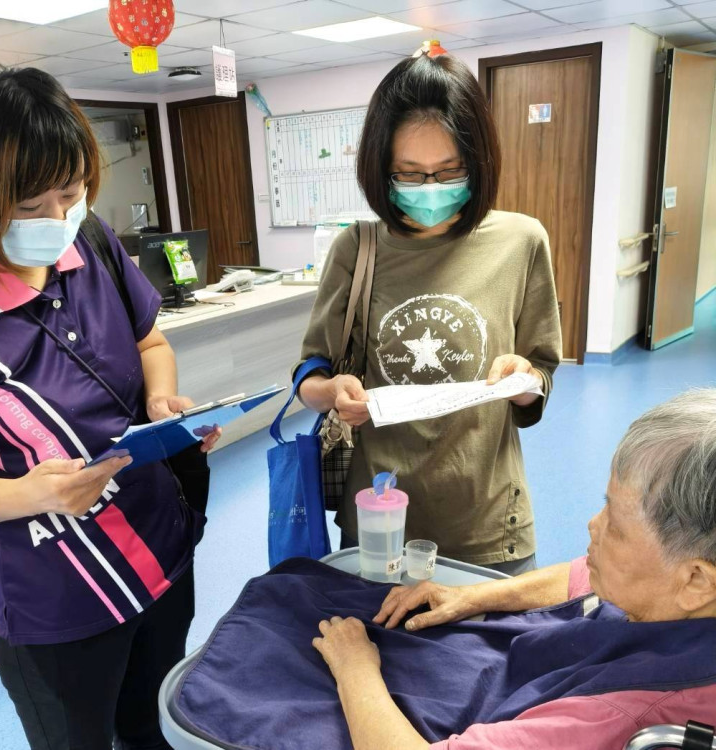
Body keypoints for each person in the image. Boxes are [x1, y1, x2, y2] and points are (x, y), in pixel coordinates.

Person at [0, 63, 219, 750]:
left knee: (153, 728)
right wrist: (31, 494)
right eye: (30, 205)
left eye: (71, 192)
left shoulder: (91, 243)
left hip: (157, 552)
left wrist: (161, 400)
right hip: (55, 599)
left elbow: (151, 341)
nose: (57, 219)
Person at [312, 389, 716, 749]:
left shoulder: (615, 716)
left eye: (617, 527)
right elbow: (580, 575)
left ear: (697, 581)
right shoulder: (672, 593)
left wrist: (355, 669)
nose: (593, 524)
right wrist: (467, 597)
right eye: (604, 505)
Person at [297, 52, 562, 574]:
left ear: (478, 162)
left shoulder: (521, 241)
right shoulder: (358, 248)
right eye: (409, 174)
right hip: (381, 518)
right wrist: (332, 393)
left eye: (449, 170)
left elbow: (541, 375)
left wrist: (523, 377)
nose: (431, 188)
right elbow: (310, 374)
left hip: (488, 522)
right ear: (381, 170)